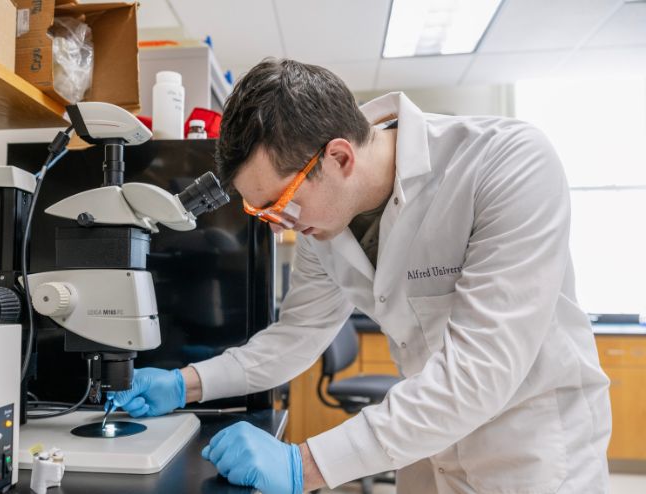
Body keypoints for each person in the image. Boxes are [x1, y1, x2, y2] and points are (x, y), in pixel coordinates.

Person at [107, 59, 612, 494]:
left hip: (530, 457)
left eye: (278, 205)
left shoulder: (505, 163)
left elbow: (481, 369)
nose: (279, 224)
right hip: (425, 449)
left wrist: (304, 465)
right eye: (263, 214)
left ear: (340, 157)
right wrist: (185, 383)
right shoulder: (322, 221)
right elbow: (298, 336)